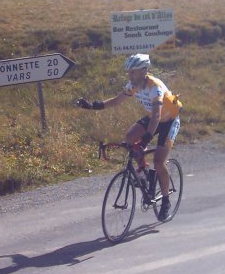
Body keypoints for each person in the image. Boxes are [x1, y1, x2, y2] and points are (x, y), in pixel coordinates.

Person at [76, 53, 182, 221]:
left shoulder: (155, 87)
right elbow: (117, 101)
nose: (129, 75)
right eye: (129, 72)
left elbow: (156, 116)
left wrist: (147, 138)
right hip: (154, 118)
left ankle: (166, 201)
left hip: (169, 120)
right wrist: (93, 106)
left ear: (143, 71)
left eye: (132, 72)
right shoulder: (134, 85)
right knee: (129, 138)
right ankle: (143, 171)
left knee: (159, 162)